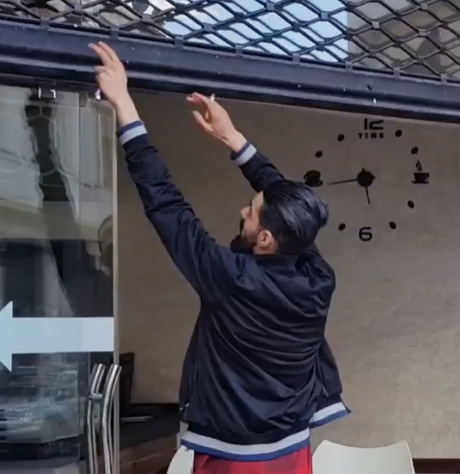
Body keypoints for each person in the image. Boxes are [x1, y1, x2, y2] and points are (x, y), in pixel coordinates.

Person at [89, 42, 349, 473]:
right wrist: (233, 139)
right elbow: (281, 198)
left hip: (236, 456)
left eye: (251, 212)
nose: (243, 211)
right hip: (293, 445)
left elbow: (167, 207)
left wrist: (124, 106)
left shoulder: (232, 278)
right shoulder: (317, 274)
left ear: (265, 238)